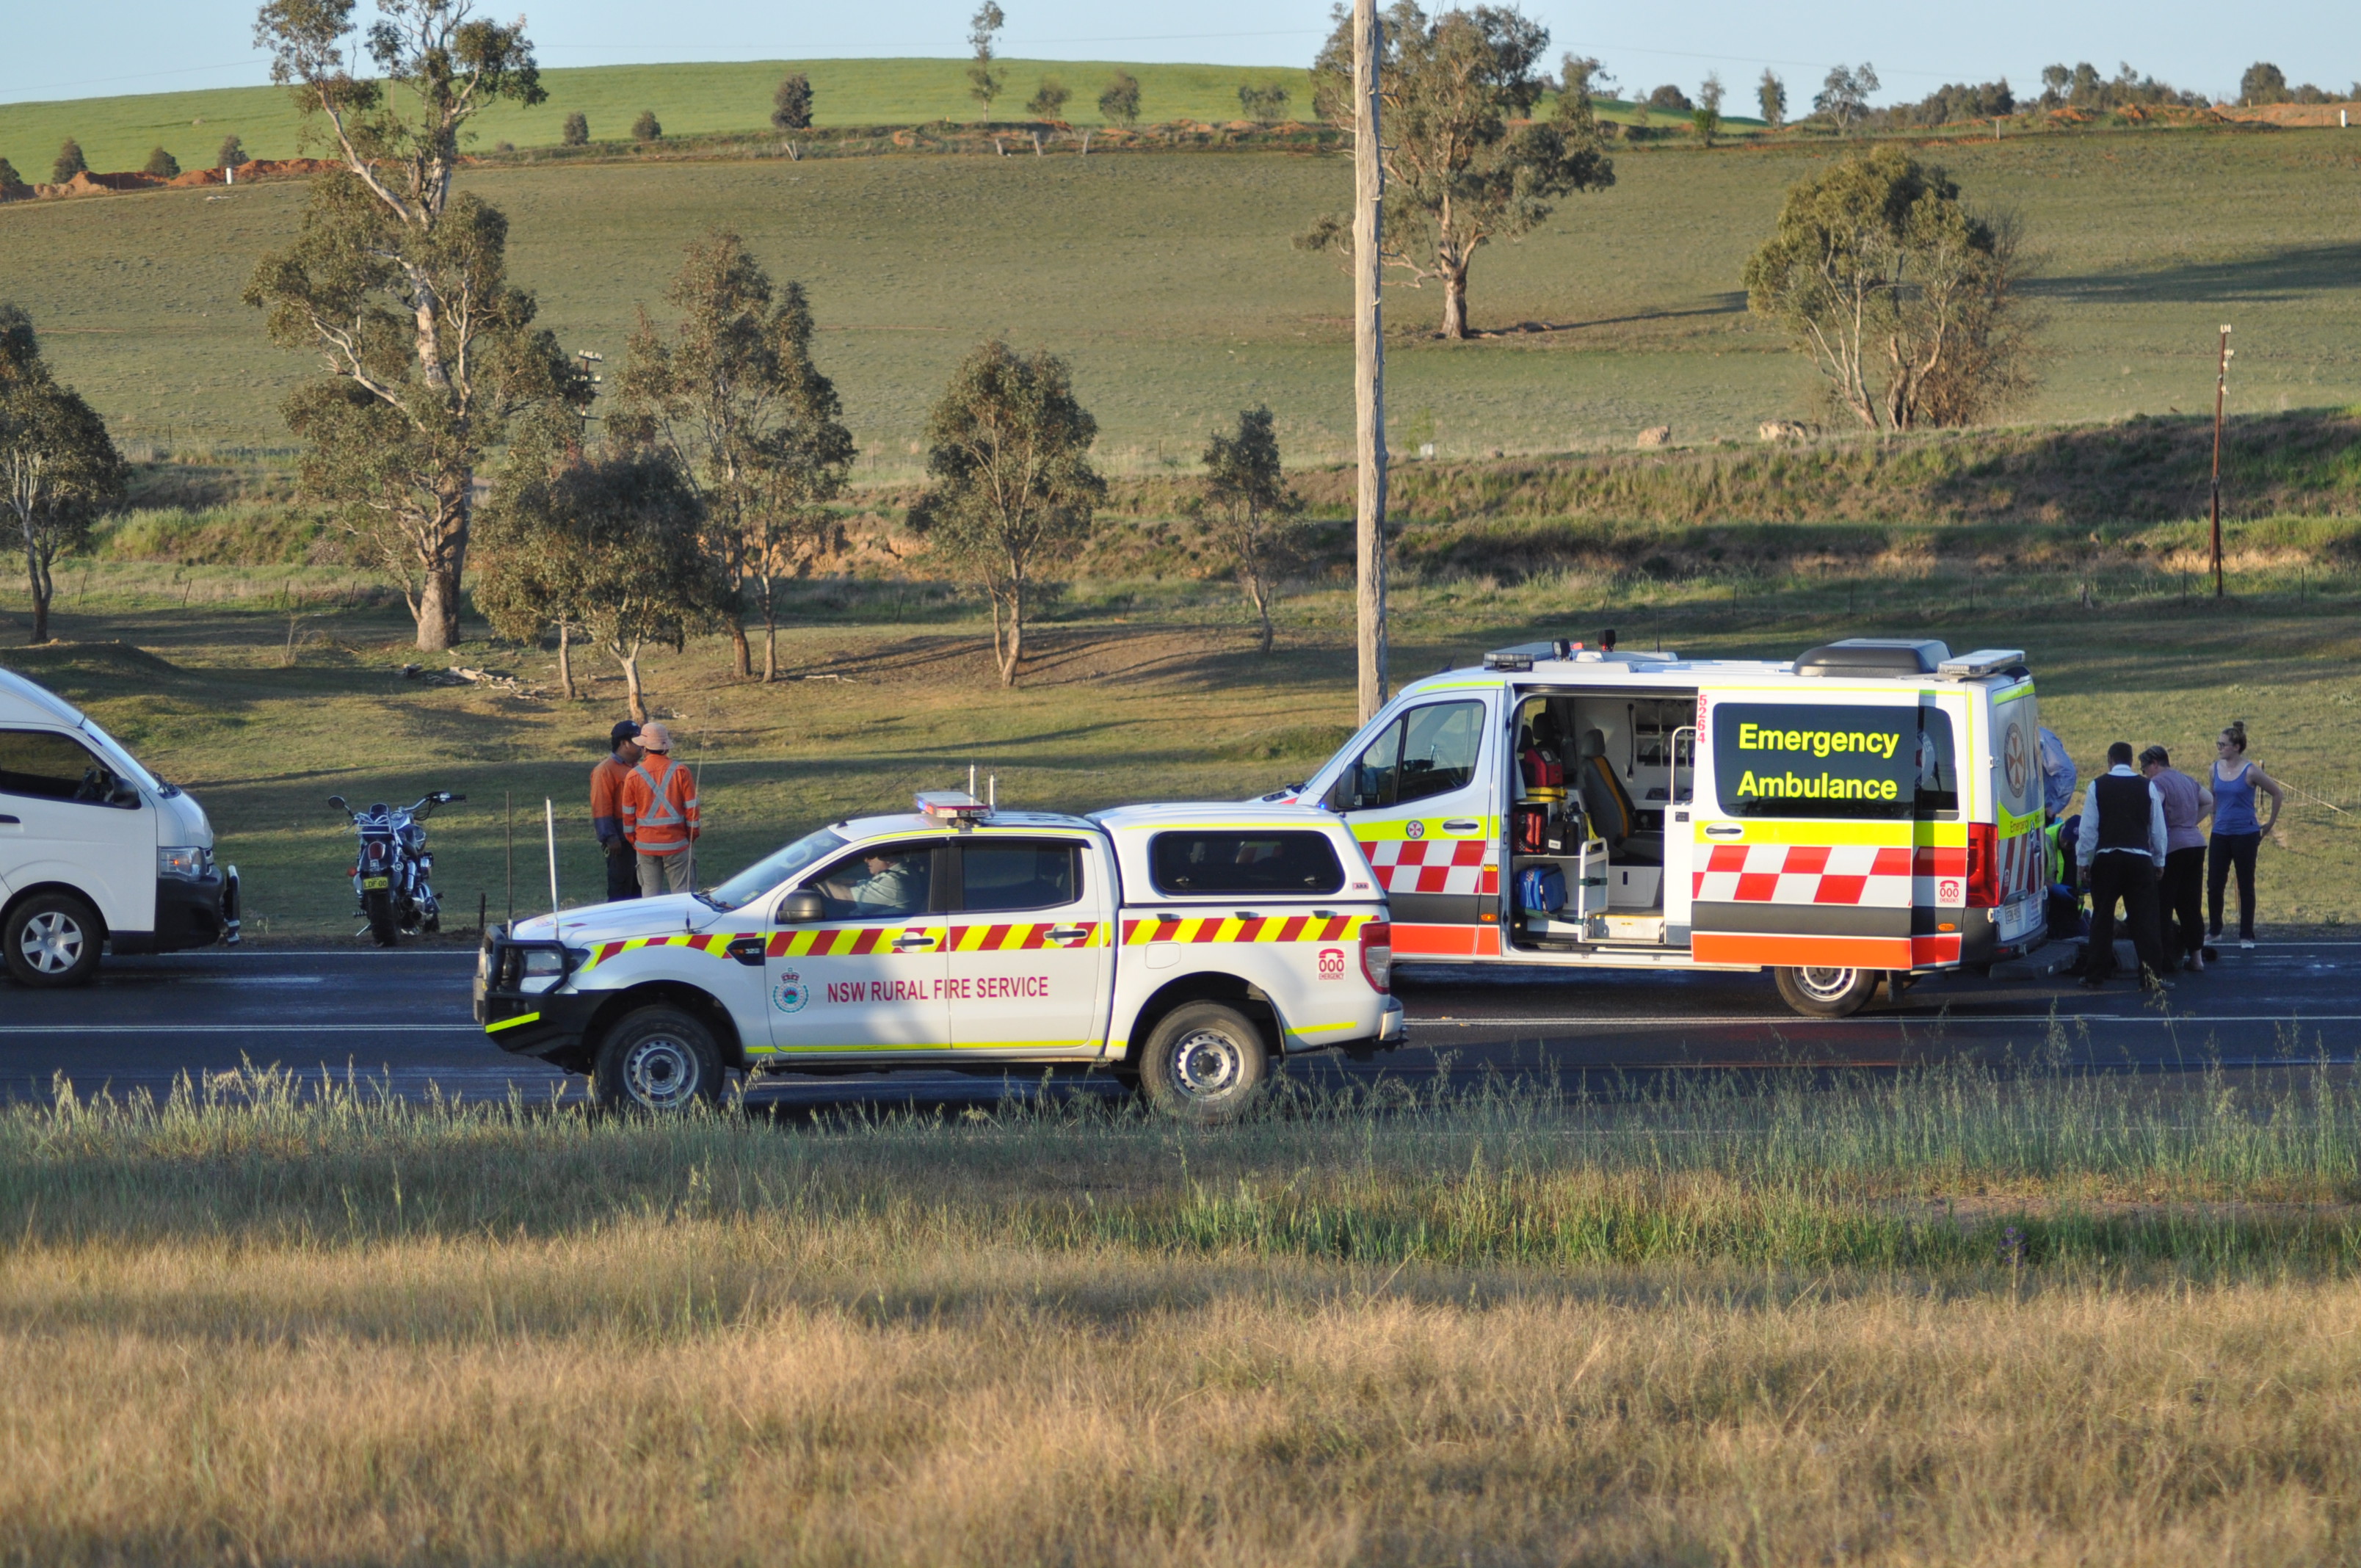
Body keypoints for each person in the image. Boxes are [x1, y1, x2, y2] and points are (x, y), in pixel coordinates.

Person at [2075, 740, 2169, 991]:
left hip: (2107, 858)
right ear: (2130, 762)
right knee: (2145, 920)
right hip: (2139, 858)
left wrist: (2083, 862)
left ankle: (2095, 974)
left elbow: (2088, 831)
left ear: (2110, 761)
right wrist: (2159, 860)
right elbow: (2157, 829)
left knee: (2102, 919)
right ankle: (2151, 978)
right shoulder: (2147, 786)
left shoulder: (2098, 785)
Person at [2205, 719, 2285, 954]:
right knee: (2214, 885)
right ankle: (2215, 930)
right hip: (2220, 833)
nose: (2219, 747)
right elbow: (2213, 797)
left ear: (2237, 747)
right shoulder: (2214, 769)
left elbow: (2276, 793)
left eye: (2223, 744)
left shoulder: (2250, 770)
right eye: (2218, 743)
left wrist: (2268, 825)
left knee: (2245, 884)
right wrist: (2213, 820)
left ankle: (2246, 933)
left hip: (2246, 834)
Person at [2140, 744, 2211, 973]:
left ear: (2154, 764)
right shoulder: (2187, 779)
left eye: (2144, 769)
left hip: (2172, 847)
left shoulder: (2157, 783)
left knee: (2163, 903)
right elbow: (2208, 800)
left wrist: (2163, 831)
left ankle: (2165, 960)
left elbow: (2154, 809)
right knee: (2191, 903)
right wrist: (2190, 822)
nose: (2144, 774)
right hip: (2196, 842)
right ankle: (2197, 958)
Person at [619, 721, 700, 896]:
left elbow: (628, 815)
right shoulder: (681, 771)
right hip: (677, 844)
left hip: (646, 845)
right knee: (683, 899)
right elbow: (692, 810)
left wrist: (634, 840)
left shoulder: (633, 776)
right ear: (666, 748)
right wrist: (691, 836)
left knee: (650, 898)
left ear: (644, 748)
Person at [589, 720, 643, 903]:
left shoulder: (637, 767)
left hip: (638, 837)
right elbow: (601, 805)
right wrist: (609, 837)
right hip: (619, 840)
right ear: (624, 743)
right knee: (620, 888)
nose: (642, 745)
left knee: (639, 886)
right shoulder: (605, 770)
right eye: (637, 740)